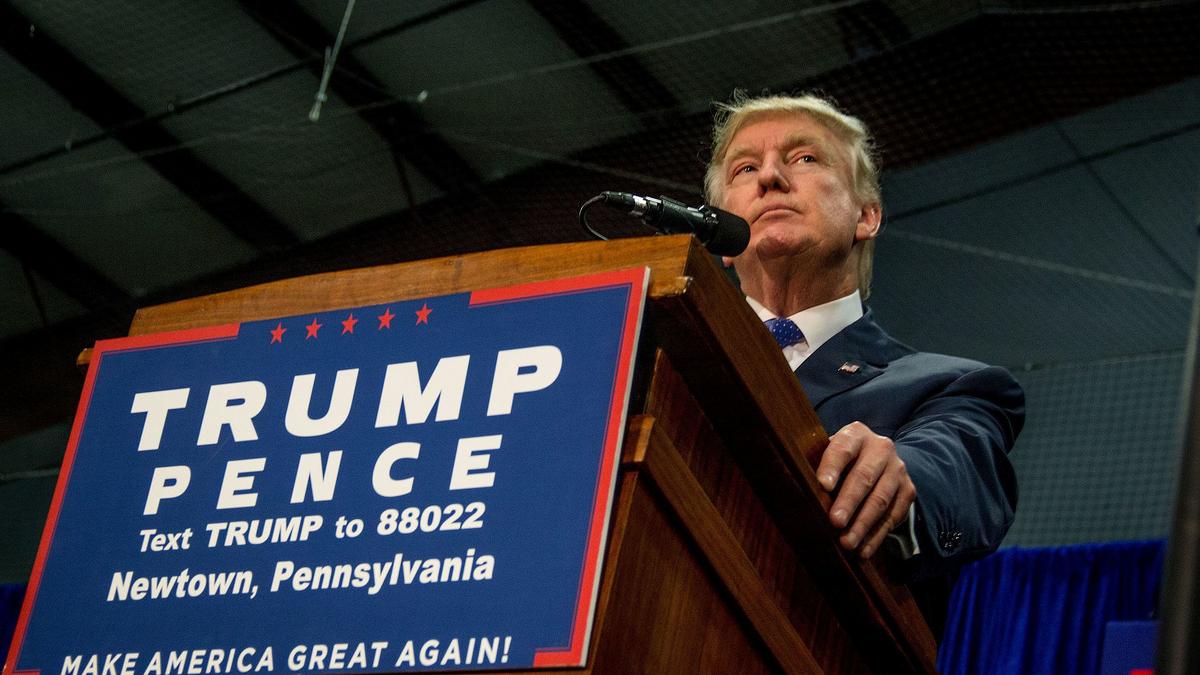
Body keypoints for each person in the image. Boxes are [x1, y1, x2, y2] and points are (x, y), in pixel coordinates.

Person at [705, 91, 1024, 633]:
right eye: (745, 167)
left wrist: (902, 480)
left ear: (867, 216)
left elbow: (952, 472)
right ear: (723, 239)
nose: (771, 178)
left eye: (805, 159)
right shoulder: (662, 364)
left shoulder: (954, 386)